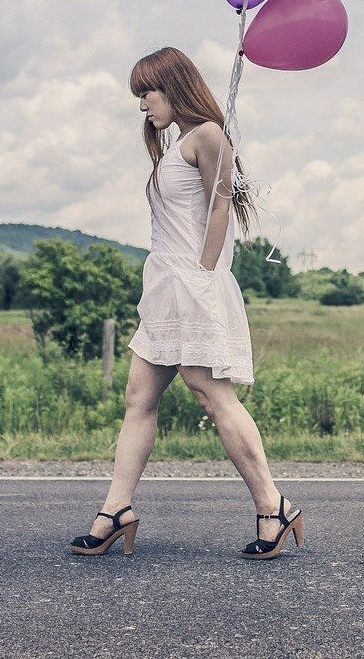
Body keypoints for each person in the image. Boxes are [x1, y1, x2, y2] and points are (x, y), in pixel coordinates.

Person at [68, 47, 303, 560]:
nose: (142, 105)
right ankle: (115, 510)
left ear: (174, 85)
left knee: (210, 394)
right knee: (137, 397)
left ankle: (273, 505)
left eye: (146, 92)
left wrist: (204, 276)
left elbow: (220, 208)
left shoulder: (208, 136)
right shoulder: (175, 146)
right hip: (163, 289)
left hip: (194, 285)